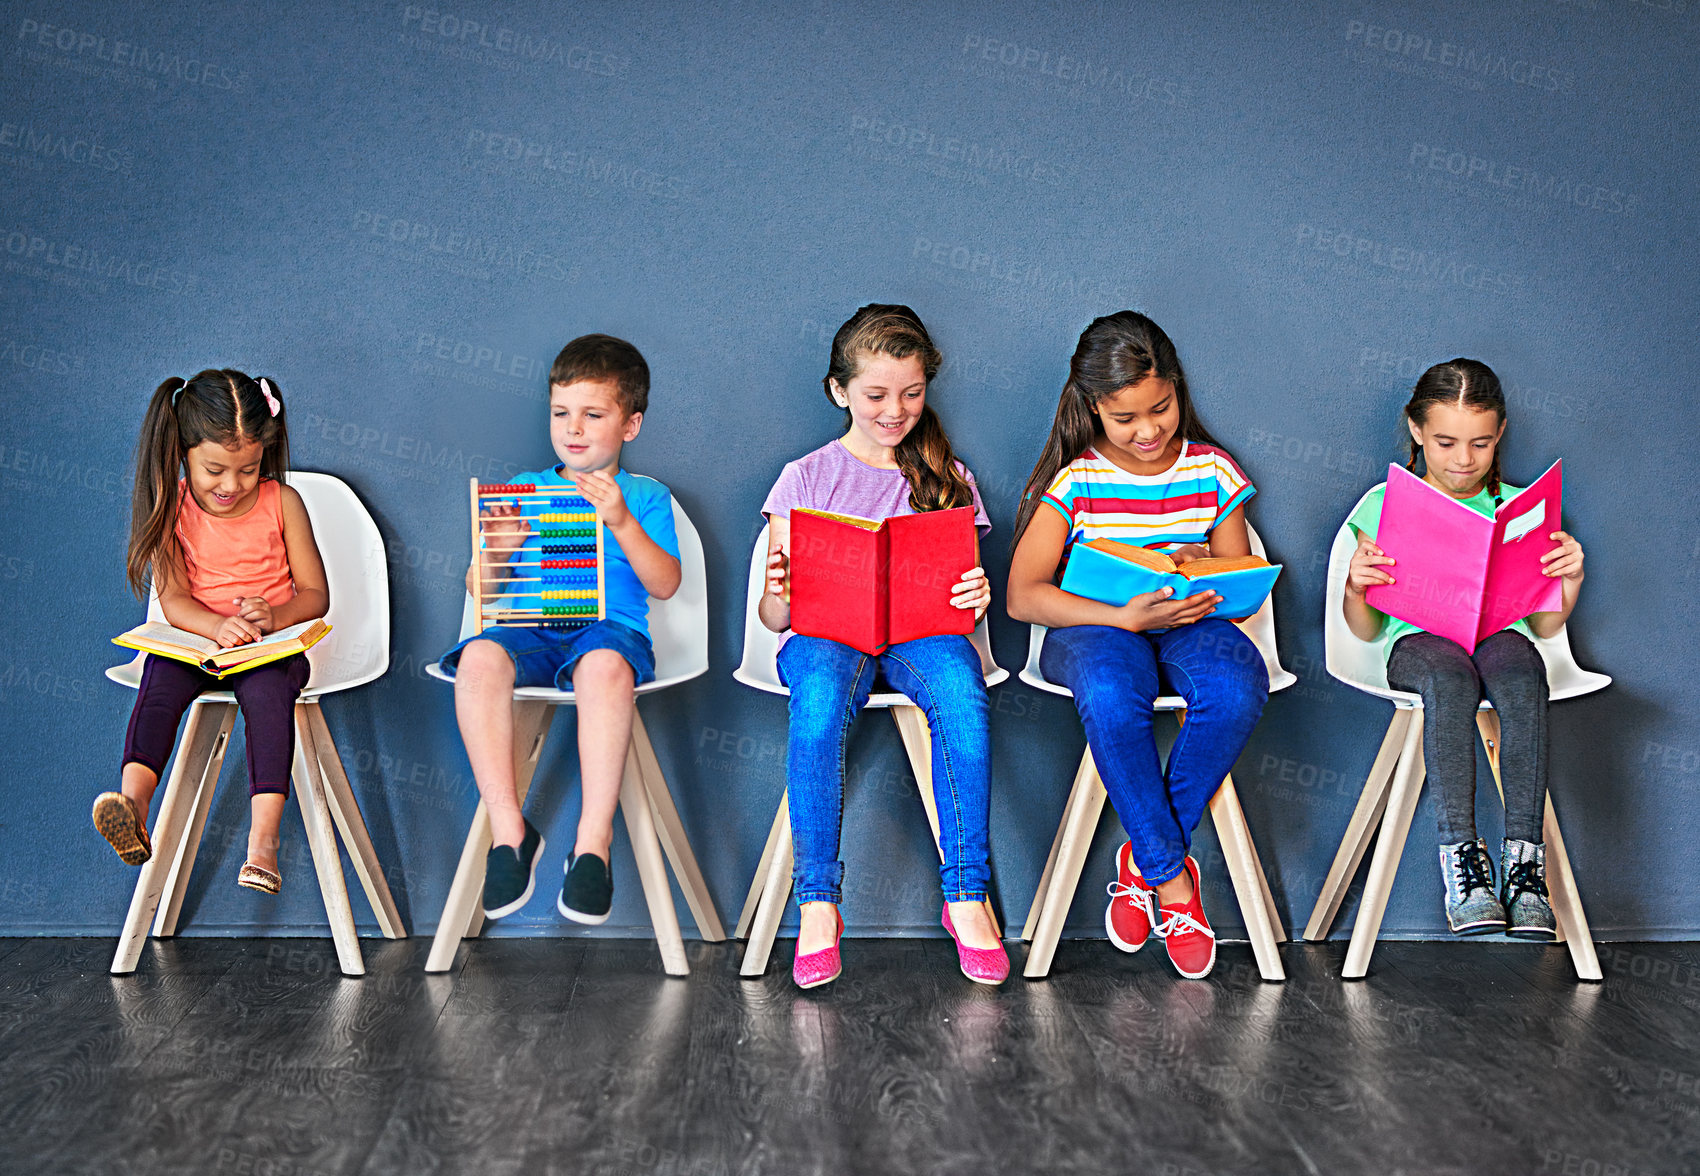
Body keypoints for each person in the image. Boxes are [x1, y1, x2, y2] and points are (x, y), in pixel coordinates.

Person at [1006, 311, 1269, 980]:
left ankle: (1144, 856)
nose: (1148, 430)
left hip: (1189, 623)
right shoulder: (1079, 482)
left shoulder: (1211, 469)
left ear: (1178, 390)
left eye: (1162, 408)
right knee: (1111, 692)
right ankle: (1173, 880)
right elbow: (1023, 595)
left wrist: (1199, 560)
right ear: (1093, 407)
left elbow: (1239, 578)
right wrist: (1122, 618)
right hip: (1099, 630)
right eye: (1126, 418)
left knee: (1239, 686)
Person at [759, 303, 1007, 987]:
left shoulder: (948, 476)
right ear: (839, 391)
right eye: (875, 395)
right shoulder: (804, 478)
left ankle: (966, 895)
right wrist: (779, 589)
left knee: (962, 692)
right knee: (815, 709)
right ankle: (816, 904)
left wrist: (973, 598)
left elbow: (959, 600)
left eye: (911, 393)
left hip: (920, 634)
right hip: (826, 635)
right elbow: (776, 618)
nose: (895, 410)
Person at [440, 334, 681, 925]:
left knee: (602, 666)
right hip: (531, 631)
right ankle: (509, 832)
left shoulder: (645, 496)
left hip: (608, 633)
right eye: (561, 413)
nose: (573, 428)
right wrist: (494, 550)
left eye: (593, 415)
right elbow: (483, 591)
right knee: (476, 661)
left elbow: (666, 582)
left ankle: (592, 844)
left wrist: (621, 520)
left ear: (631, 425)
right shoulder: (525, 489)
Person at [1342, 358, 1583, 939]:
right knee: (1450, 681)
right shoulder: (1384, 507)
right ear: (1417, 431)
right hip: (1418, 642)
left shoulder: (1524, 510)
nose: (1463, 459)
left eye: (1479, 443)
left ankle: (1524, 865)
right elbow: (1365, 631)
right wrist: (1356, 586)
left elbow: (1548, 629)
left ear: (1499, 434)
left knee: (1525, 674)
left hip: (1500, 635)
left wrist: (1567, 579)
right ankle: (1463, 866)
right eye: (1446, 442)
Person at [94, 370, 328, 895]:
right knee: (159, 682)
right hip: (200, 642)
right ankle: (132, 804)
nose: (231, 485)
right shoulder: (171, 507)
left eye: (248, 470)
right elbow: (174, 600)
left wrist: (273, 615)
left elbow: (316, 594)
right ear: (183, 452)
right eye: (215, 470)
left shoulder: (282, 503)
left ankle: (263, 843)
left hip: (266, 649)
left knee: (269, 698)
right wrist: (216, 626)